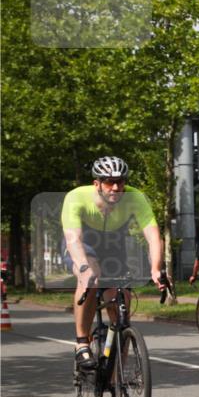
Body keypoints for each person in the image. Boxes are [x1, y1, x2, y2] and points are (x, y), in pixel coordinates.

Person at [62, 156, 167, 370]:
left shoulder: (135, 198)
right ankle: (82, 343)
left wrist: (156, 269)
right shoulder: (76, 198)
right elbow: (74, 240)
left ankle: (116, 378)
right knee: (91, 275)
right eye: (109, 181)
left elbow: (154, 237)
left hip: (112, 244)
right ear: (97, 184)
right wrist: (83, 267)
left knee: (122, 308)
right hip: (83, 243)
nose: (116, 187)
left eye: (121, 182)